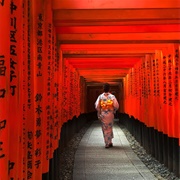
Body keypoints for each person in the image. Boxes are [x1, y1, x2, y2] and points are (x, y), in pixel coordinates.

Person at [95, 83, 119, 148]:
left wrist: (99, 112)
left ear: (103, 89)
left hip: (103, 114)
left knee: (105, 128)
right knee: (110, 127)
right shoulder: (112, 96)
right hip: (110, 114)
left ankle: (107, 142)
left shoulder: (100, 97)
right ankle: (110, 141)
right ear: (109, 89)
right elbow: (116, 105)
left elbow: (97, 106)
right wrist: (113, 110)